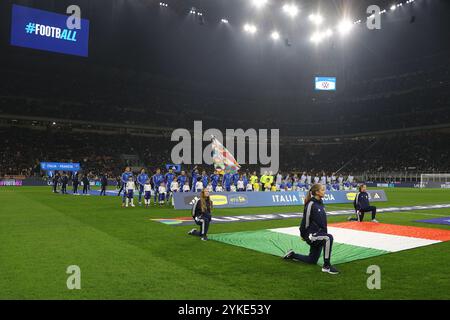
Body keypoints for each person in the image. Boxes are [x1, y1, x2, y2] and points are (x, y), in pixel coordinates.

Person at [283, 184, 340, 275]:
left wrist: (324, 233)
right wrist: (303, 234)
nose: (324, 191)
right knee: (328, 238)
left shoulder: (321, 203)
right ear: (317, 192)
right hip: (311, 235)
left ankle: (292, 255)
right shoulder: (311, 204)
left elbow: (322, 222)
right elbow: (305, 221)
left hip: (319, 235)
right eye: (322, 190)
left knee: (312, 260)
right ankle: (327, 266)